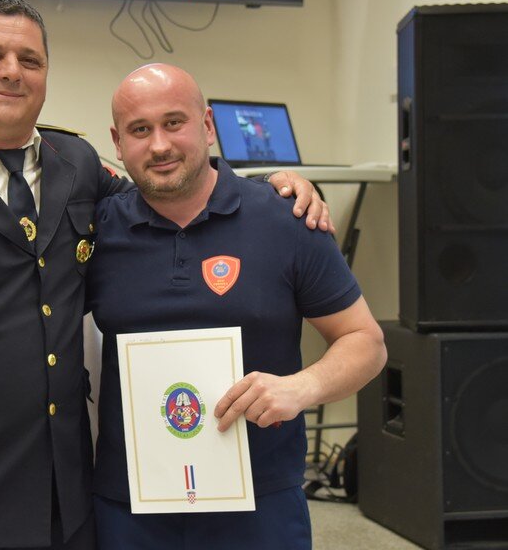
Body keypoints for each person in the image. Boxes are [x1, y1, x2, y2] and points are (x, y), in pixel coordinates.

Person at [0, 0, 329, 550]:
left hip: (68, 497)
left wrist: (269, 190)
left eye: (30, 60)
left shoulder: (75, 163)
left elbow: (170, 193)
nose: (12, 71)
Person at [86, 63, 387, 549]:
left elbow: (366, 342)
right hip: (130, 505)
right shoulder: (95, 233)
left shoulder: (286, 219)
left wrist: (301, 387)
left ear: (207, 126)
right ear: (118, 144)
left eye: (174, 122)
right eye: (140, 130)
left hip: (261, 503)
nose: (159, 145)